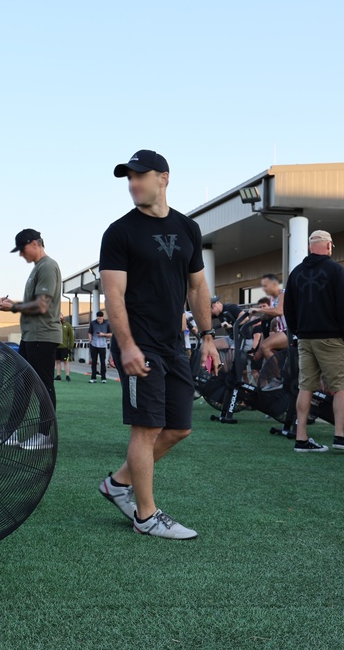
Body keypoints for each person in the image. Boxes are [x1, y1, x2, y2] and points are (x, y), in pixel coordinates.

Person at [97, 149, 219, 540]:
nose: (133, 184)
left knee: (179, 428)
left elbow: (197, 286)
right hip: (139, 342)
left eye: (140, 176)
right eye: (128, 178)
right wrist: (127, 346)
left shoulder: (187, 228)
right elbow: (113, 295)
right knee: (146, 429)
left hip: (173, 342)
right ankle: (146, 516)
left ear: (163, 178)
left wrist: (208, 336)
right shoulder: (120, 232)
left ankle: (118, 484)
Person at [283, 230, 344, 453]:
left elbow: (288, 308)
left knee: (305, 386)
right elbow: (343, 306)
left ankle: (301, 438)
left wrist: (298, 331)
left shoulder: (296, 273)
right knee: (340, 387)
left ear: (310, 247)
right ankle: (339, 435)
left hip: (305, 337)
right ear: (328, 247)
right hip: (331, 337)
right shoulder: (335, 270)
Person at [0, 228, 62, 450]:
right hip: (32, 336)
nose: (21, 255)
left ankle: (45, 436)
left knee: (43, 386)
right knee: (21, 385)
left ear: (34, 244)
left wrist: (12, 306)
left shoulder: (48, 266)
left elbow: (42, 306)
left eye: (22, 250)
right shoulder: (37, 269)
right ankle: (10, 432)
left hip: (43, 335)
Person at [253, 274, 288, 360]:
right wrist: (258, 318)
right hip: (282, 331)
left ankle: (278, 372)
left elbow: (279, 311)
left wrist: (259, 310)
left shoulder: (283, 293)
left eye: (266, 286)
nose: (263, 289)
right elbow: (271, 313)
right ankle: (281, 368)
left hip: (291, 332)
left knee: (265, 346)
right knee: (262, 350)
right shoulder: (272, 299)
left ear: (275, 284)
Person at [88, 311, 111, 382]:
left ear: (103, 317)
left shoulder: (107, 324)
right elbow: (90, 332)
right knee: (94, 362)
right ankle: (93, 377)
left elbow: (111, 334)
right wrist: (90, 340)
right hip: (94, 345)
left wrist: (103, 334)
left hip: (102, 345)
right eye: (98, 317)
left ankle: (103, 378)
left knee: (103, 362)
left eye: (100, 317)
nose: (99, 318)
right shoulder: (93, 323)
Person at [55, 314, 75, 381]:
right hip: (56, 347)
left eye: (61, 316)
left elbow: (71, 336)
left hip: (64, 347)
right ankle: (58, 375)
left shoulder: (67, 325)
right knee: (57, 361)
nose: (60, 317)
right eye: (58, 316)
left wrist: (71, 346)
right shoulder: (55, 325)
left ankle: (67, 376)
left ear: (63, 317)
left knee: (65, 361)